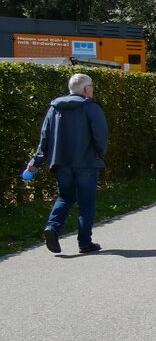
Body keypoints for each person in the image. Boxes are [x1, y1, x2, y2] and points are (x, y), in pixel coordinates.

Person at [24, 73, 109, 254]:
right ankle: (85, 243)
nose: (93, 89)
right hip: (86, 163)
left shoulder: (54, 108)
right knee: (86, 202)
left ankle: (52, 228)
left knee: (65, 197)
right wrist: (100, 154)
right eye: (91, 86)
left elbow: (44, 138)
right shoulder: (92, 108)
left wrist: (35, 162)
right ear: (86, 89)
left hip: (61, 163)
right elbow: (100, 136)